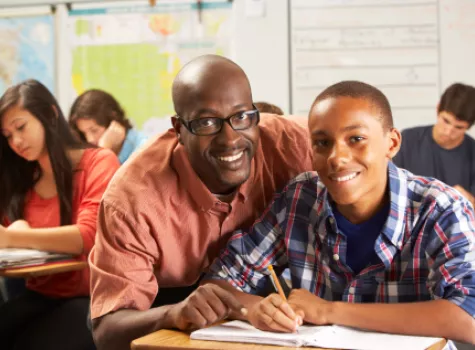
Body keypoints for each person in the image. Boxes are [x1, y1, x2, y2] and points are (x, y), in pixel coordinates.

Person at [206, 81, 475, 345]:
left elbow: (468, 317)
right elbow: (220, 281)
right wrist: (255, 309)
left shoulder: (441, 209)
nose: (337, 157)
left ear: (391, 144)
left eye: (356, 139)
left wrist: (328, 310)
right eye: (322, 143)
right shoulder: (300, 198)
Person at [89, 55, 313, 350]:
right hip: (173, 309)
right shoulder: (132, 197)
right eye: (207, 122)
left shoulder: (297, 144)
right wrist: (172, 313)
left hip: (276, 310)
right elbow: (106, 331)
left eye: (242, 116)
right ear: (178, 129)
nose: (230, 138)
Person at [0, 79, 120, 350]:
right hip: (40, 297)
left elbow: (88, 235)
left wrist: (15, 237)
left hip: (92, 299)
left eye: (21, 127)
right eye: (7, 135)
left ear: (51, 115)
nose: (16, 141)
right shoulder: (22, 180)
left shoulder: (99, 162)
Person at [393, 83, 475, 206]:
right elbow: (387, 188)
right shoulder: (407, 140)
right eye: (446, 121)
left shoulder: (472, 152)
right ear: (437, 109)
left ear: (468, 127)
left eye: (458, 127)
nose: (448, 132)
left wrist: (471, 202)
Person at [69, 89, 148, 164]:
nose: (89, 139)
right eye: (83, 133)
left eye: (94, 130)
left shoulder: (144, 149)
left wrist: (104, 152)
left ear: (113, 123)